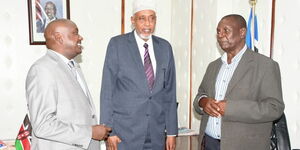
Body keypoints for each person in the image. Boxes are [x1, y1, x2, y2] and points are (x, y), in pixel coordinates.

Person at [193, 14, 285, 150]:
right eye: (218, 31)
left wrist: (230, 108)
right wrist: (203, 102)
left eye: (226, 31)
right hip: (209, 143)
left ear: (242, 32)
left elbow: (274, 108)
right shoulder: (213, 66)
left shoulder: (265, 65)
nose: (220, 35)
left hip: (244, 145)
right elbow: (200, 96)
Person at [100, 0, 178, 149]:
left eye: (152, 18)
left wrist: (171, 133)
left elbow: (170, 92)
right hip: (124, 134)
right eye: (142, 18)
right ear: (133, 20)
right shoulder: (117, 45)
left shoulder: (165, 48)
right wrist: (109, 131)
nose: (147, 24)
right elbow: (107, 91)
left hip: (156, 133)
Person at [26, 19, 111, 150]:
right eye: (75, 33)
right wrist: (90, 132)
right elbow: (43, 125)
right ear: (59, 38)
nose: (80, 37)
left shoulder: (73, 66)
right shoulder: (42, 69)